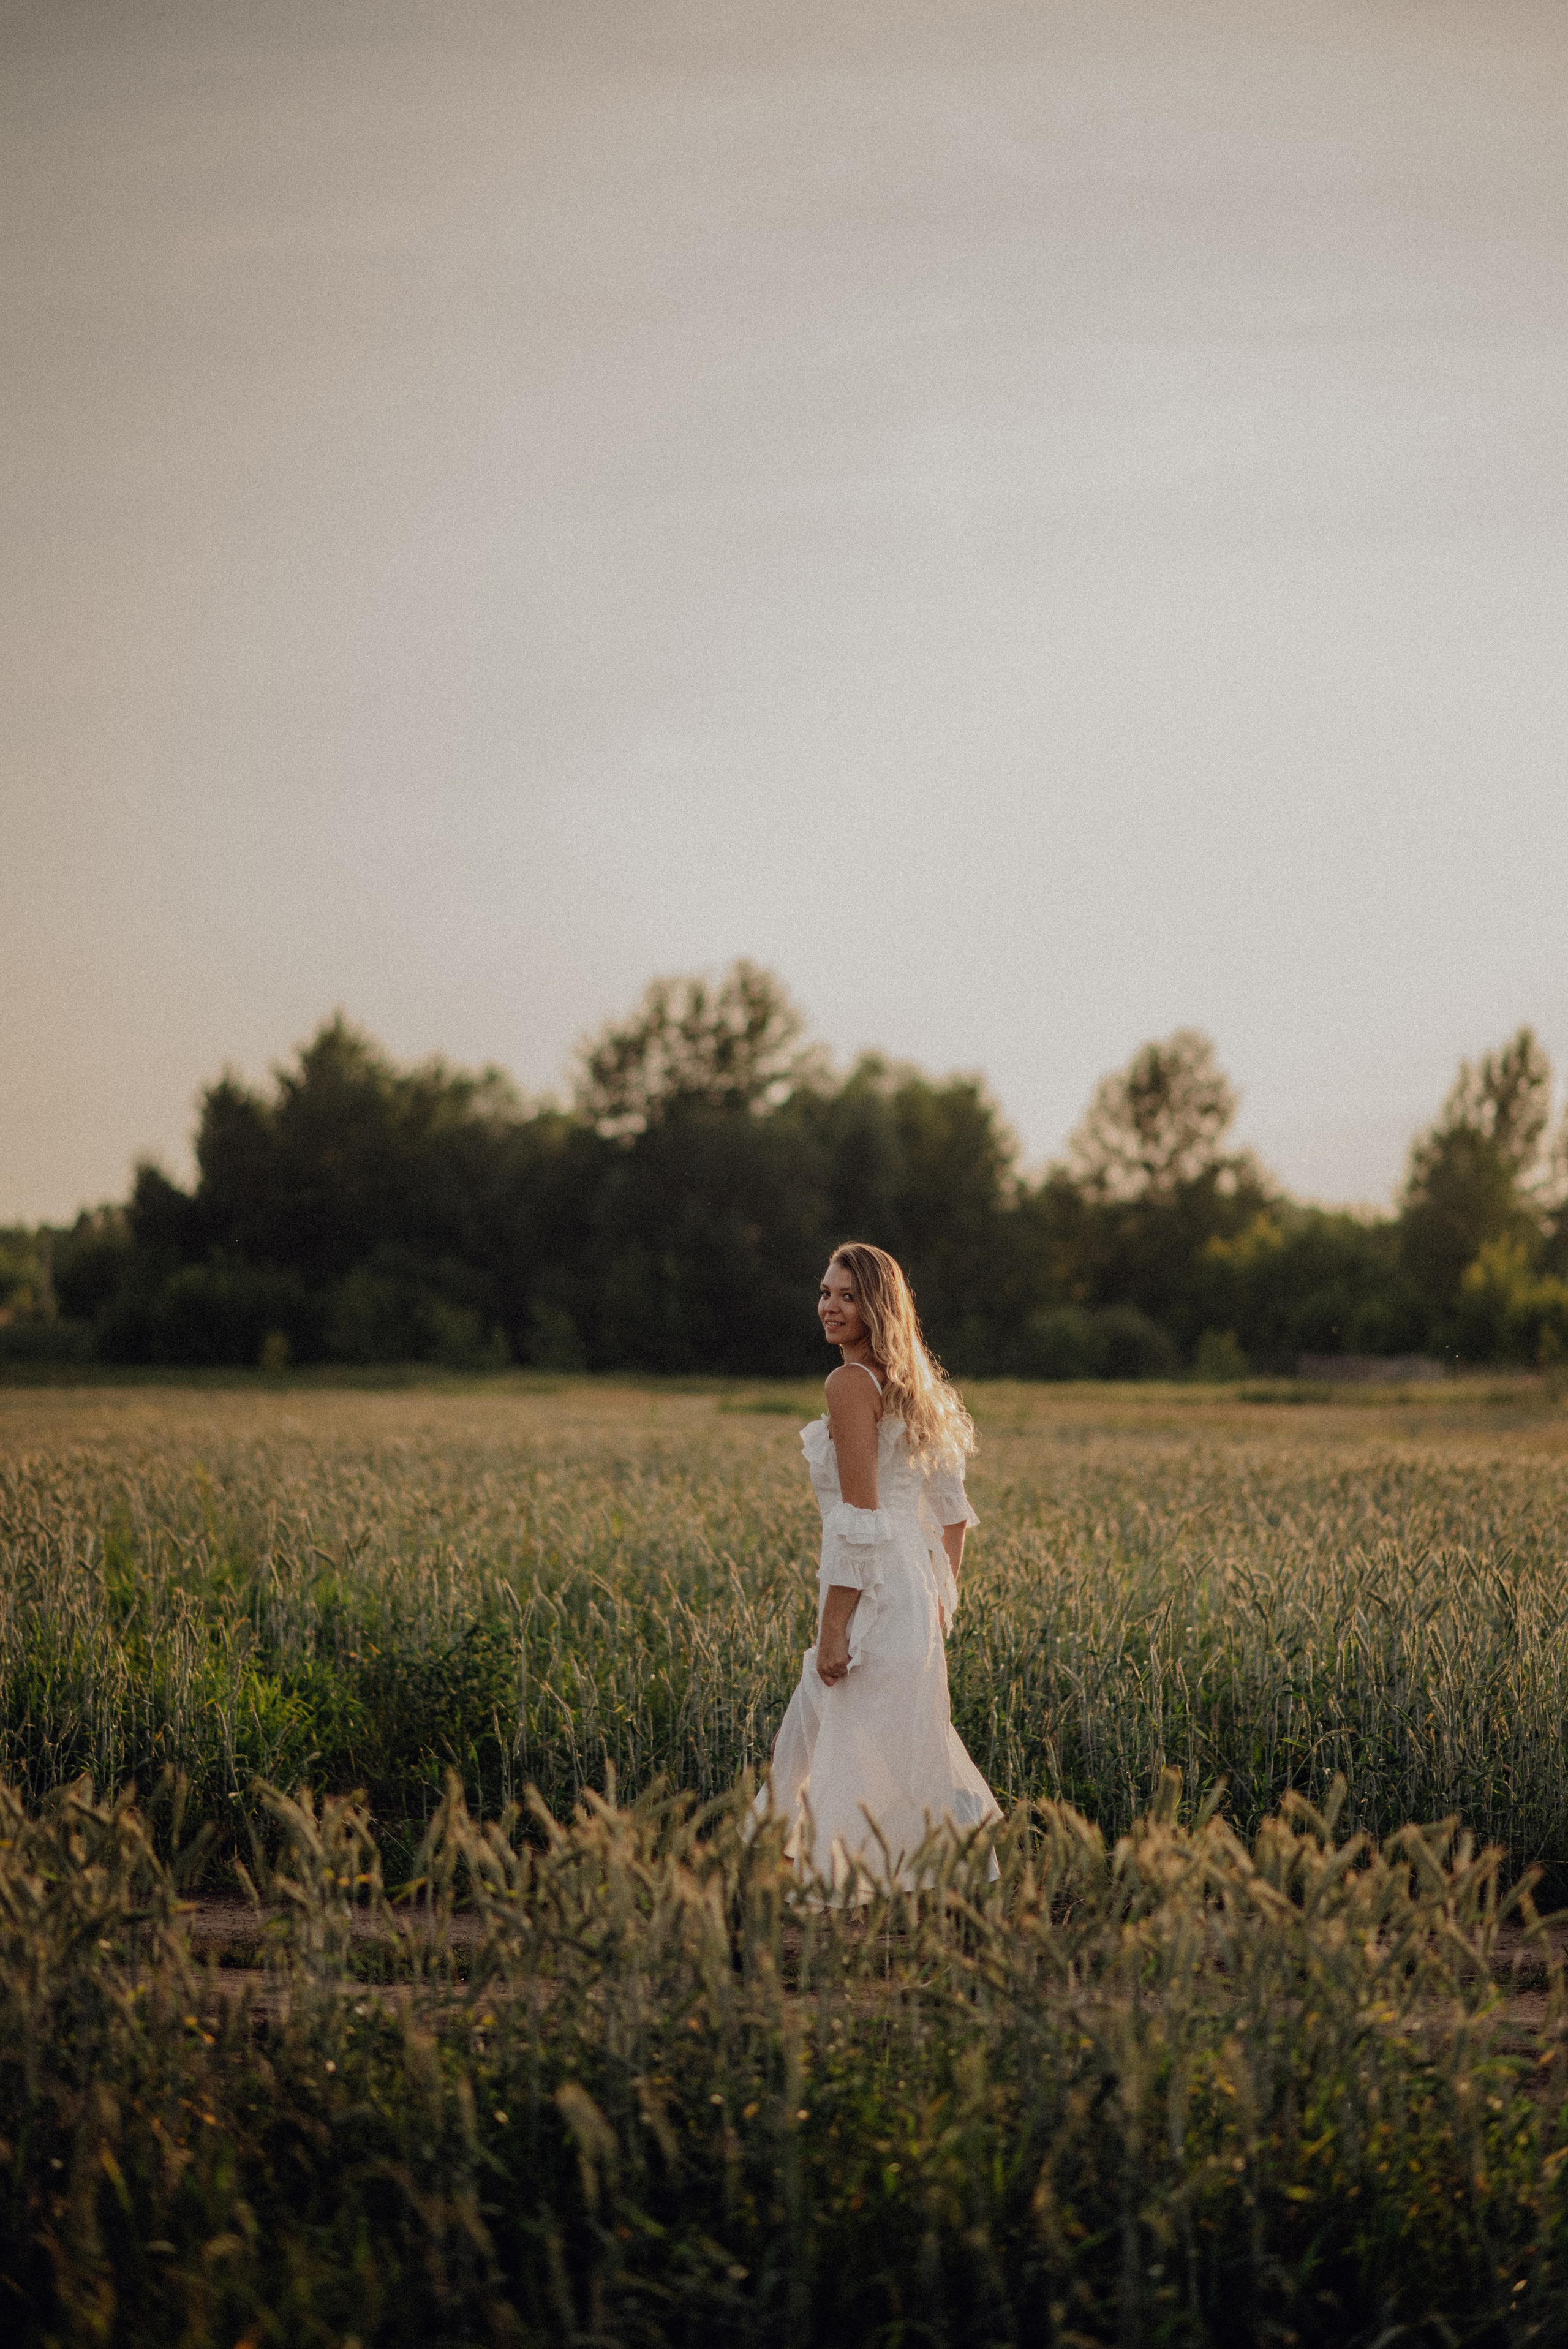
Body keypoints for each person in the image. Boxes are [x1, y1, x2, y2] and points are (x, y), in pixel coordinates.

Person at [755, 1240, 1000, 1891]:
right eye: (824, 1292)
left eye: (847, 1295)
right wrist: (940, 1598)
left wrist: (835, 1625)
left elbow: (859, 1518)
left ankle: (939, 1872)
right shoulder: (922, 1392)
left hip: (871, 1593)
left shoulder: (849, 1383)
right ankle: (764, 1878)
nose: (829, 1307)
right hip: (909, 1590)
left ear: (877, 1305)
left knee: (865, 1749)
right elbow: (950, 1516)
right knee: (829, 1739)